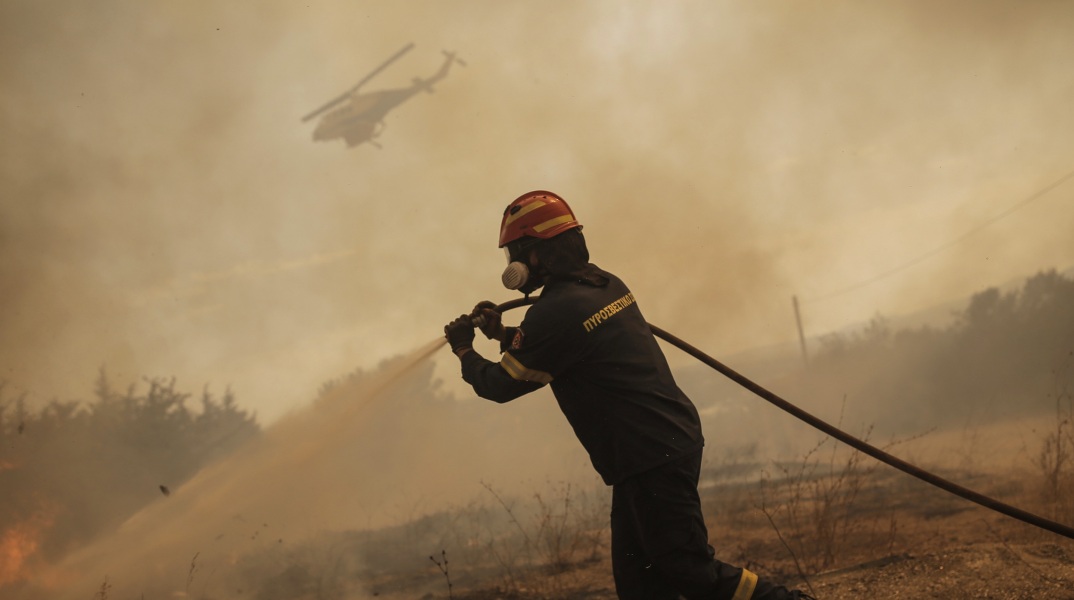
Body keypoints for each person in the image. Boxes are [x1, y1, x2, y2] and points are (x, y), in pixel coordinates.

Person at [444, 191, 813, 600]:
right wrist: (502, 334)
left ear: (535, 254)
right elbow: (562, 346)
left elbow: (500, 385)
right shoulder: (602, 284)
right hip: (657, 446)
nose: (511, 263)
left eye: (515, 252)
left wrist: (463, 348)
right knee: (640, 584)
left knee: (691, 570)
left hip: (650, 454)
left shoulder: (555, 312)